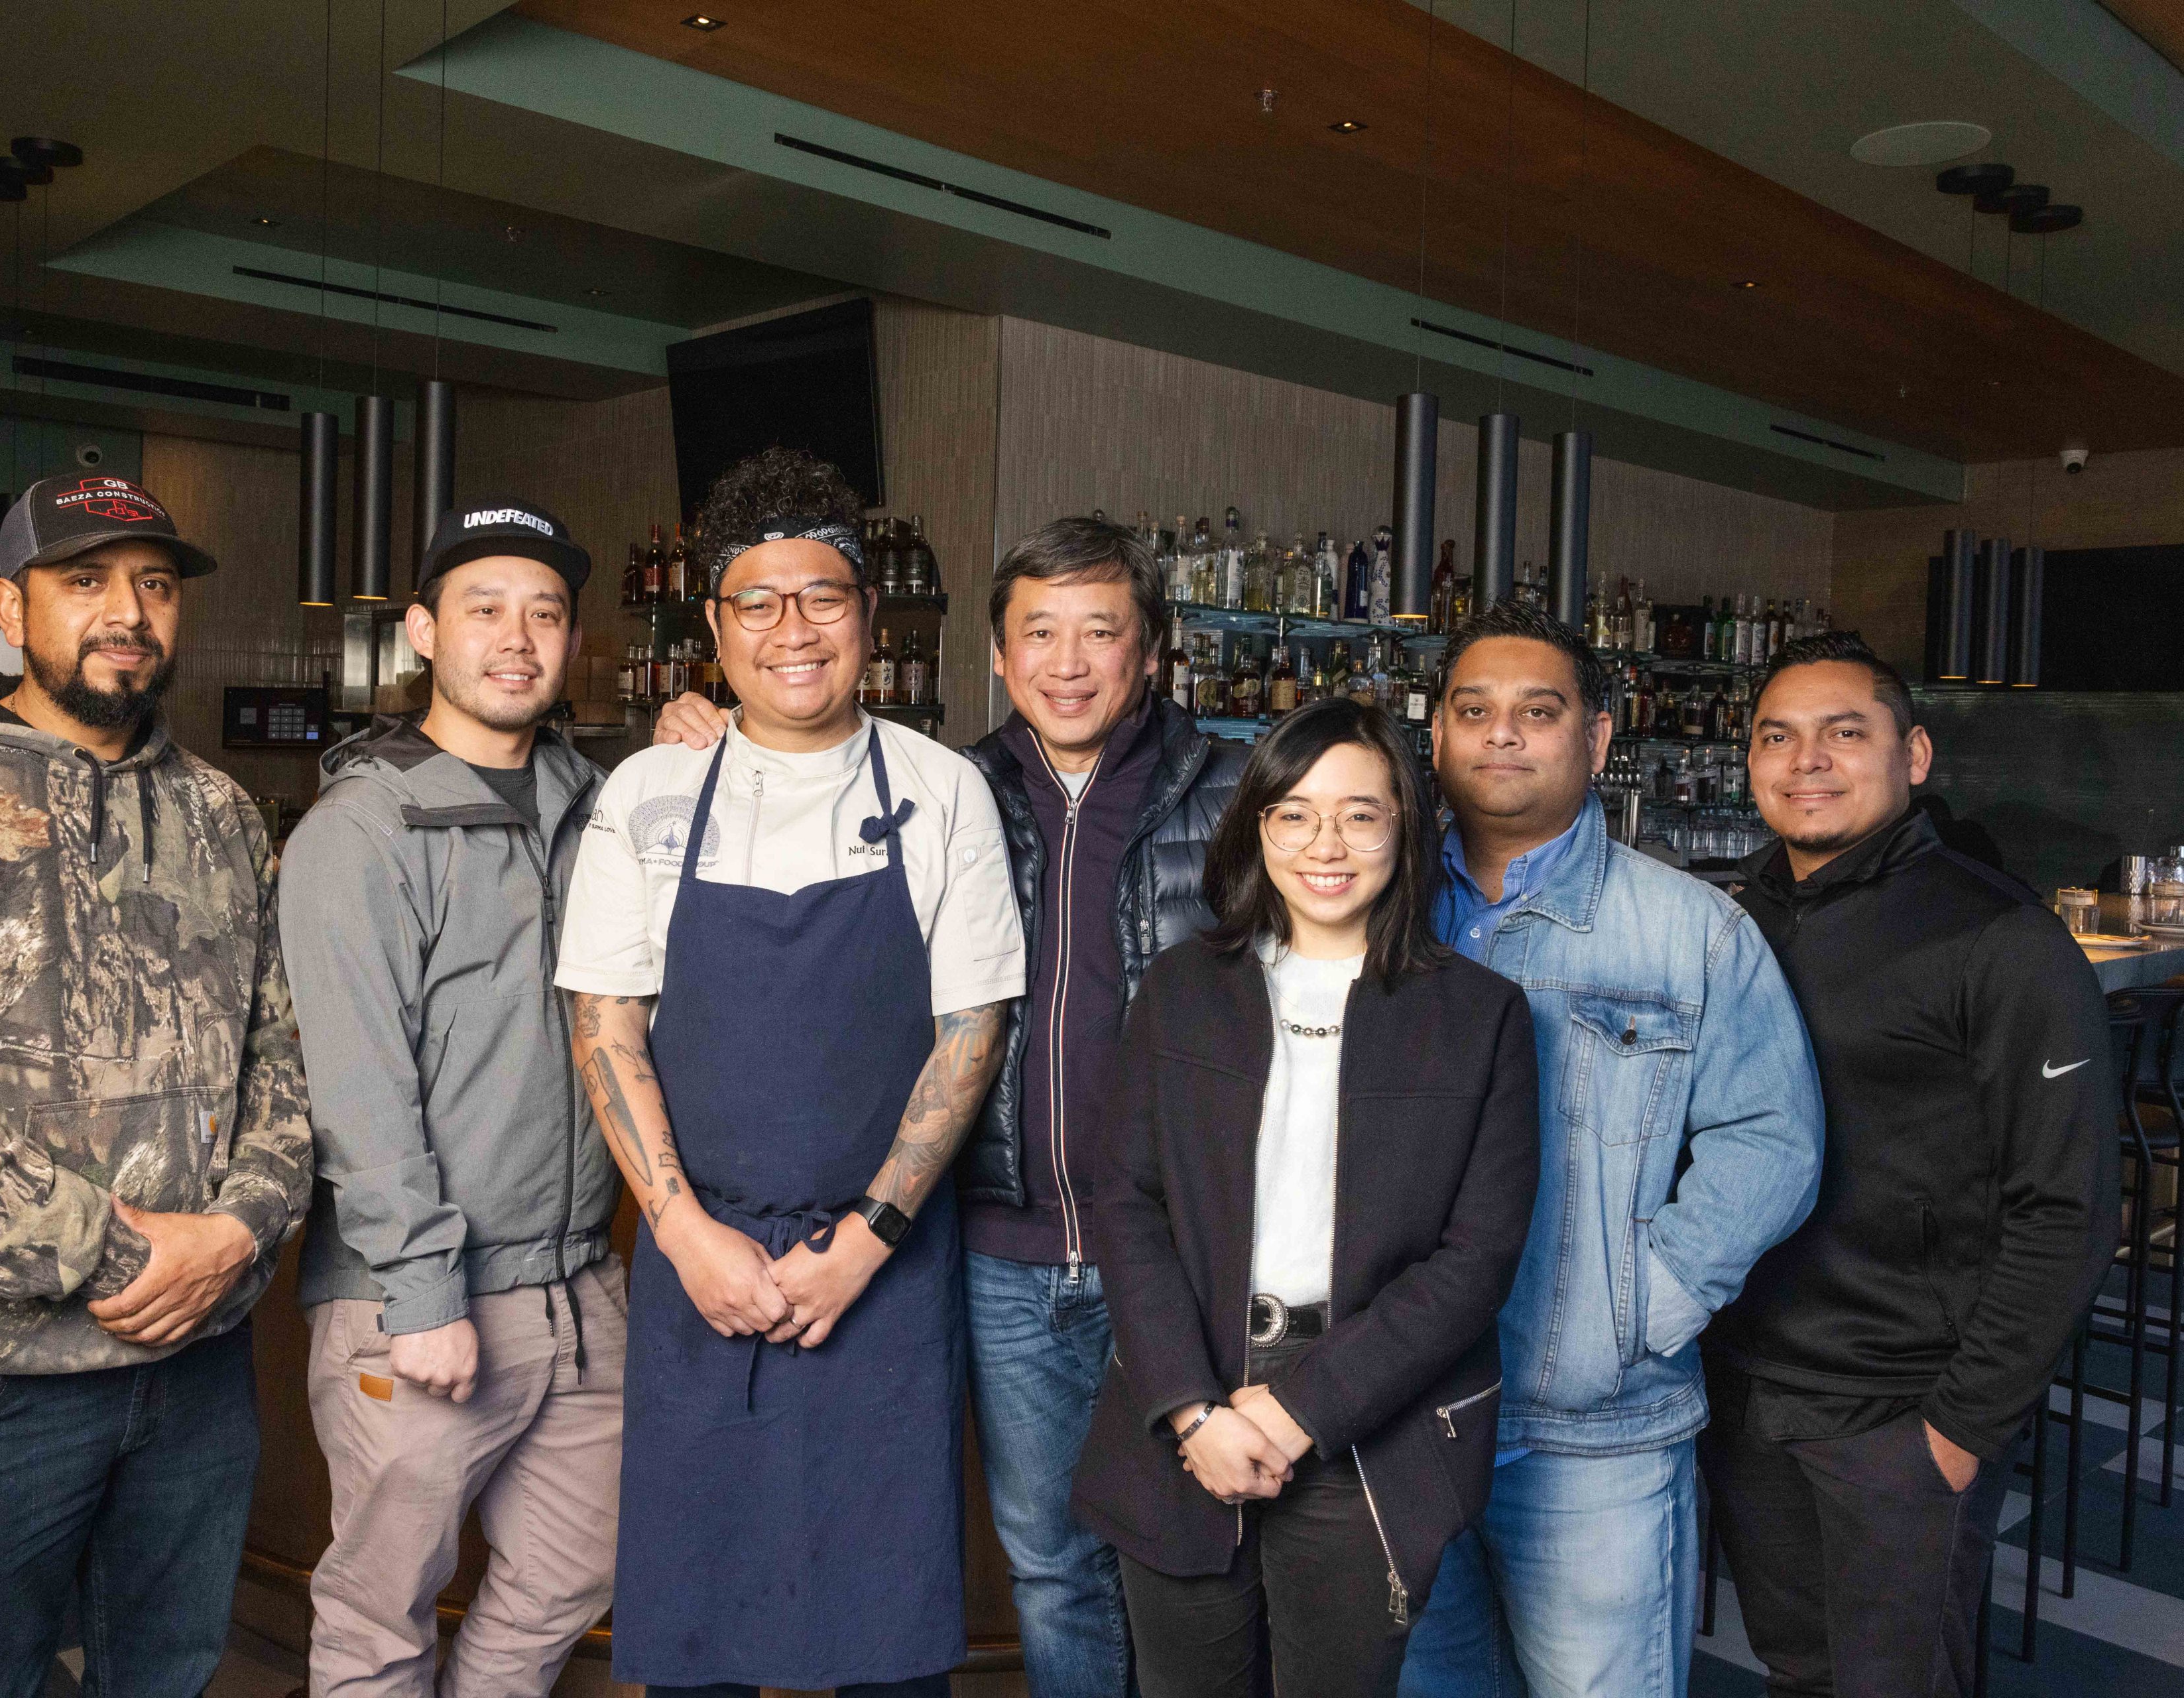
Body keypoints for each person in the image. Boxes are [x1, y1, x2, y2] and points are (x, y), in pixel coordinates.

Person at [649, 513, 1243, 1698]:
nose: (1067, 663)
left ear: (1152, 650)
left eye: (1100, 632)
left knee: (1202, 1555)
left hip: (1181, 1249)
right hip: (1005, 1249)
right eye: (1039, 633)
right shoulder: (952, 791)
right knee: (1050, 1565)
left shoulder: (1243, 793)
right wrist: (711, 734)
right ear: (996, 653)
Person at [0, 473, 312, 1697]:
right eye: (84, 581)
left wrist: (239, 1232)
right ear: (7, 605)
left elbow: (284, 1063)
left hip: (196, 1365)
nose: (126, 611)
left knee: (168, 1672)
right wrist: (137, 1261)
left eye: (151, 582)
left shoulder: (222, 814)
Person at [556, 447, 1027, 1698]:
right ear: (714, 624)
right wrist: (684, 1233)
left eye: (822, 595)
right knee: (698, 1651)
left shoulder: (944, 791)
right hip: (697, 1270)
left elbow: (970, 1032)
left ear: (870, 613)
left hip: (884, 1273)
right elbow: (605, 1027)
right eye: (756, 602)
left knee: (890, 1653)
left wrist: (869, 1238)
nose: (791, 629)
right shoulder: (647, 795)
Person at [1072, 699, 1541, 1698]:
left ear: (1407, 829)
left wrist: (1298, 1409)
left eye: (1361, 814)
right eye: (1294, 812)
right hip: (1186, 1398)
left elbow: (1477, 1256)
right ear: (1256, 828)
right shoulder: (1181, 989)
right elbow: (1127, 1204)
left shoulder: (1481, 1017)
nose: (1326, 843)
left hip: (1368, 1411)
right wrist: (1196, 1414)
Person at [1398, 600, 1823, 1698]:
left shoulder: (1690, 929)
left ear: (1595, 738)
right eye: (1473, 710)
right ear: (1433, 735)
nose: (1502, 734)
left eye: (1538, 712)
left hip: (1593, 1435)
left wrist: (1643, 1304)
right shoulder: (1374, 915)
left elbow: (1772, 1137)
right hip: (1395, 1420)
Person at [1705, 631, 2118, 1698]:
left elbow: (2065, 1206)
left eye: (1846, 733)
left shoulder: (2002, 936)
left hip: (1899, 1410)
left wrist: (1958, 1431)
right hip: (1750, 1387)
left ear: (1915, 755)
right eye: (1779, 737)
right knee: (1797, 1670)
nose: (1809, 761)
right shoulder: (1730, 922)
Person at [278, 499, 623, 1696]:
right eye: (484, 609)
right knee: (381, 1614)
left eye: (545, 612)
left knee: (576, 1574)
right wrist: (423, 1291)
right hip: (415, 1297)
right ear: (425, 631)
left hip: (581, 1287)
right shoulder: (360, 830)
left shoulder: (601, 808)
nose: (516, 637)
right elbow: (356, 1083)